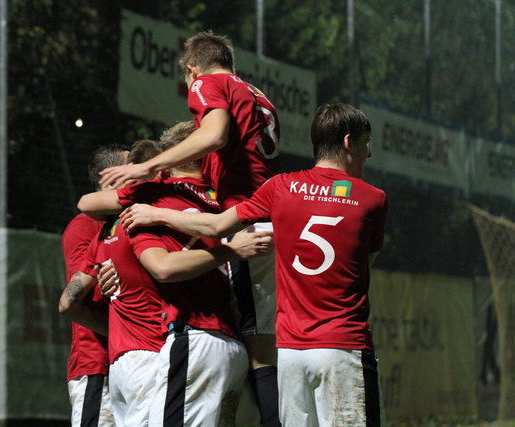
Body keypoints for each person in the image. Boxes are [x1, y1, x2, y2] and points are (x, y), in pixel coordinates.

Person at [120, 103, 389, 426]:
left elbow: (216, 227)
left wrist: (156, 213)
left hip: (290, 355)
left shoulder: (280, 187)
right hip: (344, 347)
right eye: (366, 144)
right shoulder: (372, 198)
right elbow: (364, 264)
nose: (368, 154)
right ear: (348, 142)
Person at [99, 30, 281, 426]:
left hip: (246, 220)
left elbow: (213, 134)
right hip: (258, 214)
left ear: (190, 67)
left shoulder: (206, 81)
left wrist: (147, 168)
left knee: (260, 349)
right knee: (258, 341)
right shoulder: (257, 94)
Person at [79, 121, 274, 425]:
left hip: (191, 339)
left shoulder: (150, 197)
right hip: (241, 348)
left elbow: (88, 204)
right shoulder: (229, 202)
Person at [61, 144, 129, 427]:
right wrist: (121, 333)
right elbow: (73, 302)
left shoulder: (129, 220)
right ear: (110, 177)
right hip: (97, 365)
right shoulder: (84, 225)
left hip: (131, 365)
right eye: (132, 166)